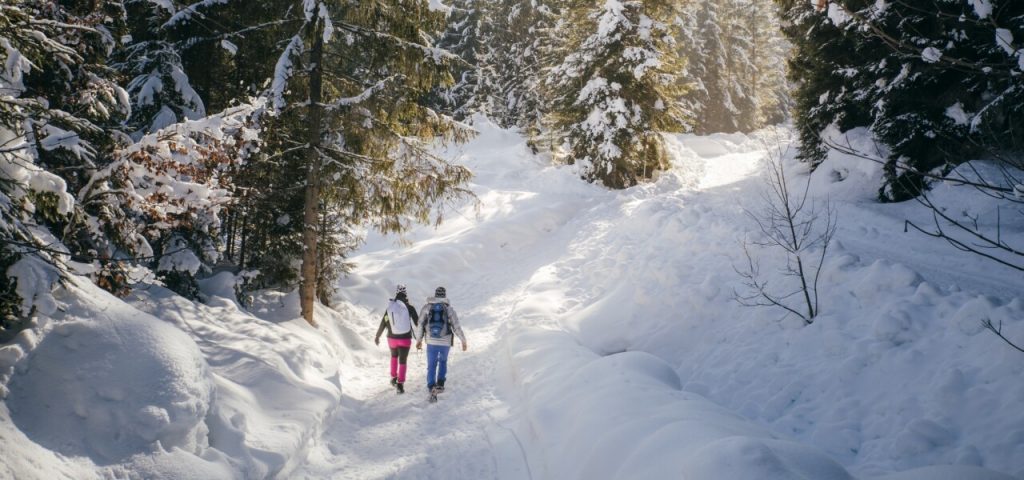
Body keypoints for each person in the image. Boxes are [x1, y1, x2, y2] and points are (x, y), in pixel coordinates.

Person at [416, 286, 467, 394]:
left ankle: (431, 386)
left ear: (435, 295)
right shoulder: (449, 309)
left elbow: (420, 324)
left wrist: (419, 340)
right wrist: (463, 340)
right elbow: (456, 326)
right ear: (444, 295)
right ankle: (440, 384)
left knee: (431, 364)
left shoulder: (427, 307)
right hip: (445, 341)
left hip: (431, 341)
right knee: (443, 361)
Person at [374, 284, 419, 394]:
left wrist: (377, 335)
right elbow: (418, 323)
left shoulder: (390, 307)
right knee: (402, 361)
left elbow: (384, 322)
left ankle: (394, 378)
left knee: (394, 357)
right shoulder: (410, 308)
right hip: (405, 339)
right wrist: (424, 334)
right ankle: (400, 384)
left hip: (391, 339)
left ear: (396, 293)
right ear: (405, 293)